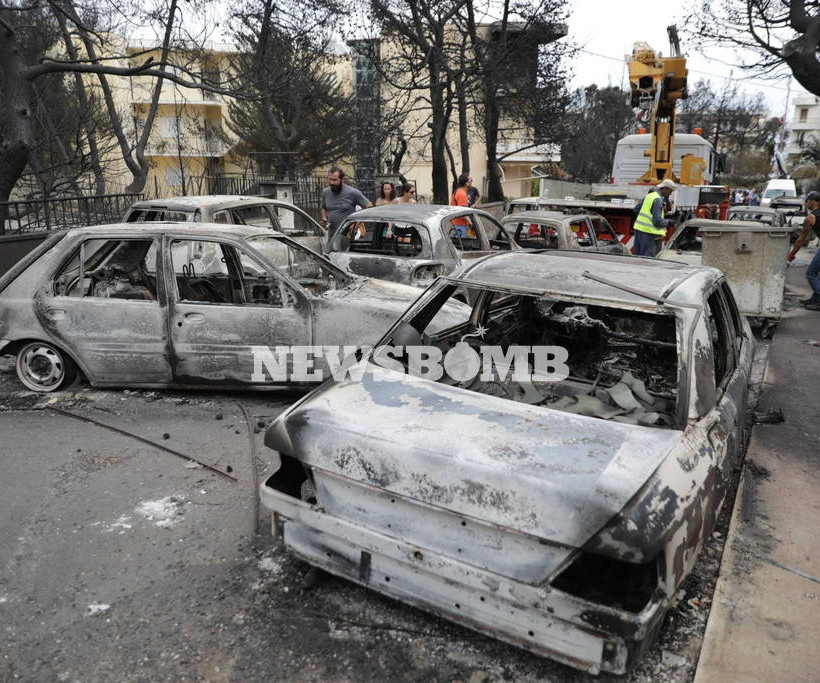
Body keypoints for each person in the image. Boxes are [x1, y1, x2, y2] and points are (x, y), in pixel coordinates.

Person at [787, 190, 820, 310]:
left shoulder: (811, 217)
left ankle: (819, 299)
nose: (805, 204)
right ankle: (815, 298)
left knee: (811, 273)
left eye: (807, 201)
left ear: (812, 202)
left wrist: (790, 256)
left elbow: (801, 239)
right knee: (815, 273)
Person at [320, 166, 372, 236]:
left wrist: (358, 222)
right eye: (330, 179)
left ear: (342, 179)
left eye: (335, 180)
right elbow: (323, 207)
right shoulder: (325, 192)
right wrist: (324, 218)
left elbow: (369, 206)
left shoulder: (352, 192)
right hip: (332, 235)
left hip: (347, 235)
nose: (331, 182)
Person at [633, 178, 676, 257]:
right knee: (648, 259)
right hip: (648, 233)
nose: (670, 194)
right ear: (665, 188)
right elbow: (657, 221)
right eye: (670, 191)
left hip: (639, 230)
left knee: (637, 257)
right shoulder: (658, 200)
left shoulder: (650, 196)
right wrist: (669, 222)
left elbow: (636, 209)